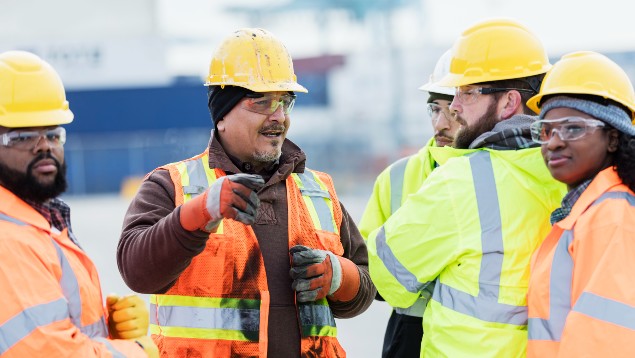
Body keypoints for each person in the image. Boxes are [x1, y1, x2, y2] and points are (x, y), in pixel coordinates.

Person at [117, 28, 376, 357]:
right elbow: (137, 271)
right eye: (263, 103)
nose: (279, 117)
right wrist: (200, 213)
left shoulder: (318, 190)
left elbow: (366, 285)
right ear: (222, 114)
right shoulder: (172, 185)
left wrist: (339, 275)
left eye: (285, 102)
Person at [366, 18, 567, 357]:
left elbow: (387, 275)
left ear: (508, 102)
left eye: (467, 92)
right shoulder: (570, 176)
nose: (455, 107)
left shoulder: (461, 180)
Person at [0, 51, 158, 357]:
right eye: (22, 136)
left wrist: (104, 326)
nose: (43, 145)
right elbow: (49, 351)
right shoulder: (8, 238)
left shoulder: (35, 222)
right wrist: (136, 350)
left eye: (53, 133)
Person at [526, 51, 635, 357]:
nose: (554, 141)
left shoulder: (612, 216)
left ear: (613, 138)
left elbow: (604, 340)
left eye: (573, 127)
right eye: (546, 130)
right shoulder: (587, 211)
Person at [358, 49, 457, 358]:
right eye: (434, 109)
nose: (440, 123)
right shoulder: (396, 177)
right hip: (409, 335)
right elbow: (366, 267)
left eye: (452, 110)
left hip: (476, 339)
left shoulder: (508, 175)